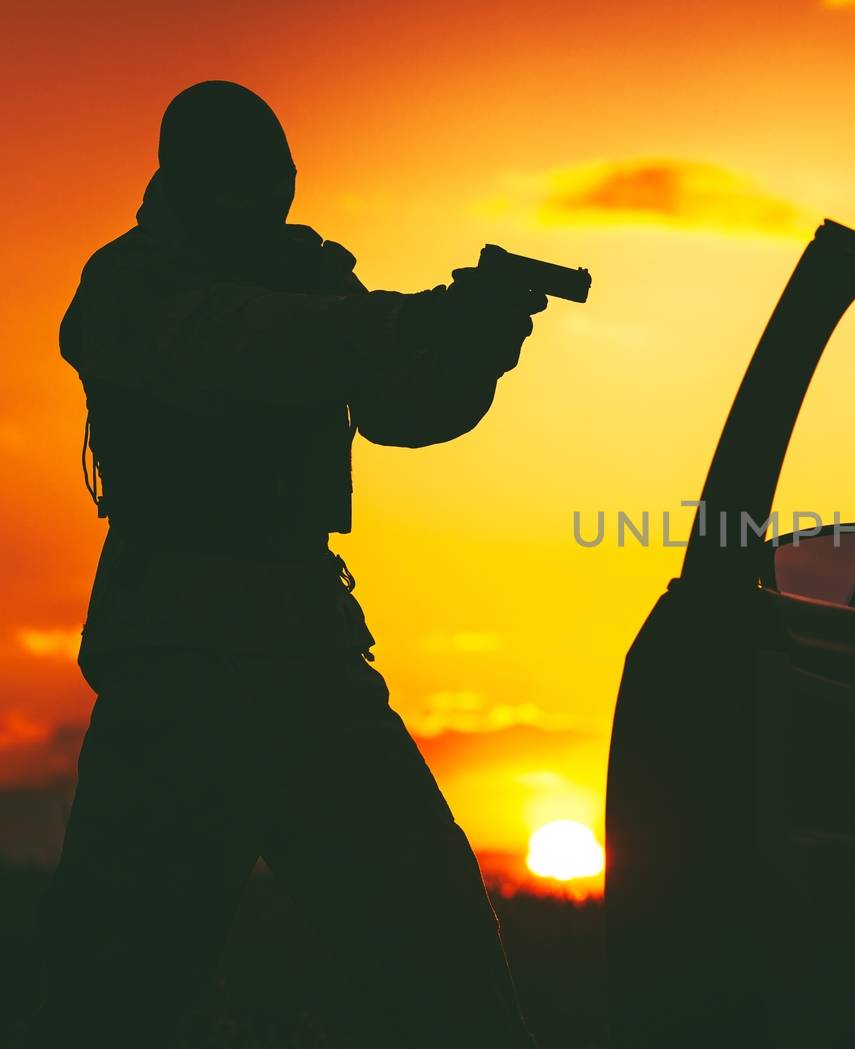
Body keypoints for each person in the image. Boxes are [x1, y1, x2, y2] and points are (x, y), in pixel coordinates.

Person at [32, 81, 543, 1048]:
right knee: (110, 996)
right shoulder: (130, 285)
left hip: (307, 666)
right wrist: (414, 318)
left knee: (444, 966)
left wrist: (481, 344)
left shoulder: (308, 279)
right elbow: (258, 347)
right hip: (176, 673)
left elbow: (399, 407)